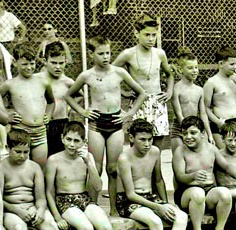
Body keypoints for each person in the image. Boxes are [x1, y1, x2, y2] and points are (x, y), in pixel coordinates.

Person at [64, 35, 147, 214]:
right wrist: (83, 111)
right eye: (101, 53)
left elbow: (141, 93)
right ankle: (92, 206)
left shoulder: (119, 73)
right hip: (96, 124)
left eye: (108, 53)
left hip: (116, 123)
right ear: (91, 53)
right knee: (95, 166)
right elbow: (69, 95)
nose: (106, 57)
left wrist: (129, 114)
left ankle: (114, 209)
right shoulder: (87, 75)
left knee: (113, 168)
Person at [0, 129, 89, 230]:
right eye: (18, 151)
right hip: (10, 210)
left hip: (32, 207)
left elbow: (41, 197)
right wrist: (16, 210)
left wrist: (40, 210)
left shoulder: (34, 167)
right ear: (8, 149)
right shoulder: (0, 168)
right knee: (19, 229)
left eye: (26, 152)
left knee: (52, 225)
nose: (22, 156)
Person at [45, 121, 123, 230]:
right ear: (62, 138)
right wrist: (57, 216)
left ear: (83, 142)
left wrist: (90, 164)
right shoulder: (54, 160)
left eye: (76, 141)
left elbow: (98, 186)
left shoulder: (88, 158)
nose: (72, 145)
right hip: (65, 201)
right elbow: (49, 191)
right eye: (69, 140)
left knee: (106, 227)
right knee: (86, 228)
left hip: (84, 199)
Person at [116, 120, 188, 230]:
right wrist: (158, 207)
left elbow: (159, 181)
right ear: (131, 138)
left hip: (150, 197)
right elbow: (130, 194)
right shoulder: (124, 158)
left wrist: (165, 203)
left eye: (150, 139)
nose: (147, 144)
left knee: (181, 217)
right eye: (142, 140)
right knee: (155, 221)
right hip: (129, 201)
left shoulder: (155, 151)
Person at [171, 116, 235, 230]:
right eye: (184, 133)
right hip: (186, 194)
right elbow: (179, 177)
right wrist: (193, 176)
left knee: (225, 193)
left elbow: (227, 166)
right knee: (198, 193)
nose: (188, 137)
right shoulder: (180, 151)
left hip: (208, 192)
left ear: (203, 133)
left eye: (193, 133)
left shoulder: (211, 149)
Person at [114, 14, 174, 147]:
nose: (151, 39)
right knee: (138, 145)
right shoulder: (128, 54)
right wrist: (123, 92)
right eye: (147, 35)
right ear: (137, 33)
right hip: (138, 103)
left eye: (154, 35)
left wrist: (169, 91)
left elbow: (169, 74)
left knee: (157, 147)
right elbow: (110, 74)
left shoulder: (160, 53)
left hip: (157, 102)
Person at [0, 43, 54, 166]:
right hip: (21, 131)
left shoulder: (43, 82)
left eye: (32, 63)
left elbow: (51, 102)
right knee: (20, 168)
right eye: (24, 64)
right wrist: (7, 115)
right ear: (15, 62)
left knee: (40, 169)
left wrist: (48, 115)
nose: (29, 67)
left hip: (40, 133)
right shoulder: (10, 84)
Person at [204, 46, 236, 144]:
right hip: (221, 122)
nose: (235, 67)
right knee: (223, 156)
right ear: (221, 64)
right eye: (232, 64)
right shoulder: (212, 82)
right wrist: (218, 122)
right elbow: (205, 108)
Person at [35, 42, 73, 156]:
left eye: (61, 63)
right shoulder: (36, 79)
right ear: (45, 61)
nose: (58, 67)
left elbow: (79, 95)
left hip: (61, 124)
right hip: (41, 124)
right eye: (53, 63)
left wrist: (70, 107)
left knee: (60, 160)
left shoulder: (68, 82)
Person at [172, 48, 212, 150]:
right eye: (190, 68)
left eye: (196, 67)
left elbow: (203, 114)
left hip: (195, 127)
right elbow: (178, 114)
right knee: (179, 157)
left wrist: (209, 134)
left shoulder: (199, 90)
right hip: (180, 129)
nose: (194, 71)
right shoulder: (176, 89)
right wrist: (187, 131)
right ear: (181, 69)